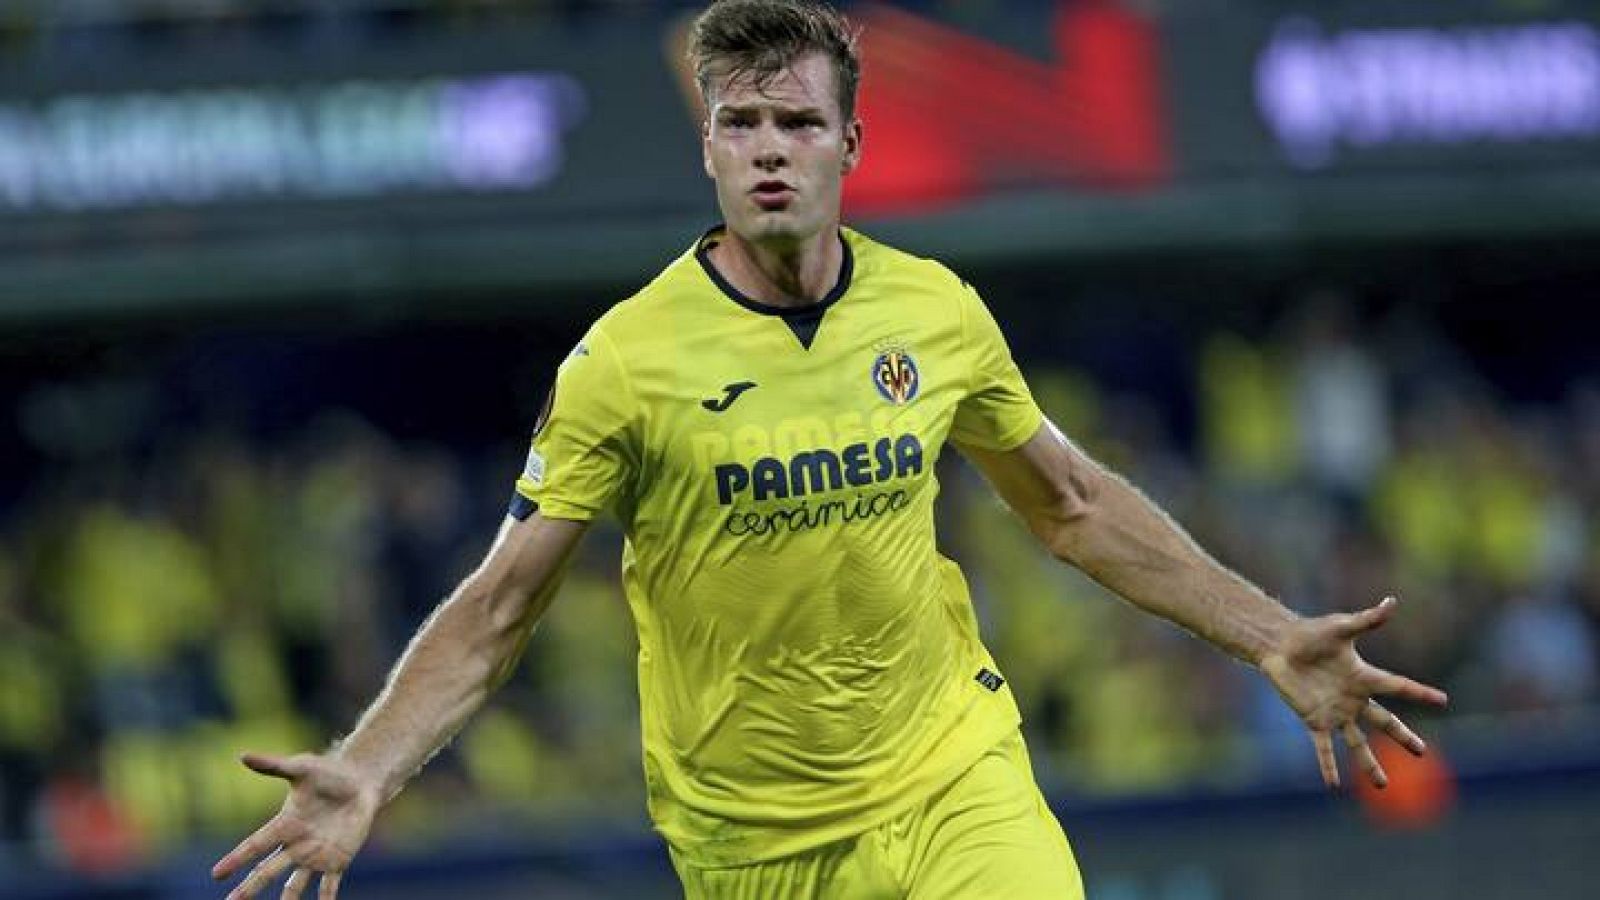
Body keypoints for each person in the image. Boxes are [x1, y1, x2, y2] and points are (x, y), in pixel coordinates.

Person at [211, 2, 1447, 898]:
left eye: (796, 122)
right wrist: (370, 765)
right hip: (755, 843)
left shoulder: (936, 312)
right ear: (705, 147)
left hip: (951, 776)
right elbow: (501, 606)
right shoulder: (623, 363)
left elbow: (1069, 505)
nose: (765, 147)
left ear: (850, 148)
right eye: (738, 122)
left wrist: (1271, 635)